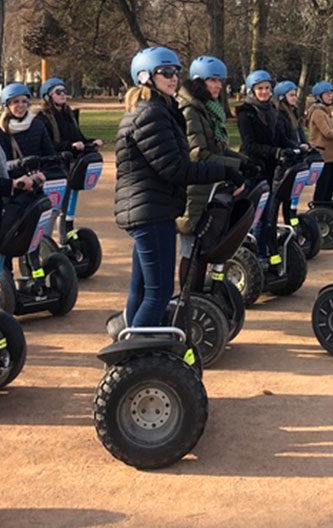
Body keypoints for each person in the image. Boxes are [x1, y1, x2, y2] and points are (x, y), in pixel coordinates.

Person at [114, 47, 243, 327]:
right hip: (150, 212)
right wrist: (225, 171)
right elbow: (175, 168)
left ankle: (132, 345)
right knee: (158, 293)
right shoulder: (150, 114)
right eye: (166, 73)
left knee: (142, 289)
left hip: (150, 209)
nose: (173, 78)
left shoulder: (158, 110)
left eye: (176, 72)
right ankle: (139, 356)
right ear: (146, 77)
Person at [175, 55, 255, 283]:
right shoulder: (190, 110)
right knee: (191, 245)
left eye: (221, 81)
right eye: (213, 81)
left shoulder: (208, 109)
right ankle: (189, 300)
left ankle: (200, 297)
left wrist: (243, 161)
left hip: (210, 183)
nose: (219, 86)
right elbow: (197, 153)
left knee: (204, 243)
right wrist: (234, 167)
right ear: (199, 82)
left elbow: (218, 149)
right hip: (195, 186)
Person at [236, 69, 298, 254]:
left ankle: (262, 252)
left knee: (267, 215)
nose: (264, 92)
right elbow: (250, 145)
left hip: (271, 170)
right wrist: (277, 152)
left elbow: (280, 138)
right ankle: (248, 252)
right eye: (260, 88)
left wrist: (296, 147)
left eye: (267, 88)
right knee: (251, 216)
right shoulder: (245, 113)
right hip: (253, 169)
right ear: (251, 91)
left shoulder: (273, 111)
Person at [36, 77, 103, 153]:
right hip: (55, 160)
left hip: (73, 157)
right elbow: (47, 144)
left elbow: (79, 139)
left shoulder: (70, 115)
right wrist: (70, 145)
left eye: (64, 91)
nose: (62, 94)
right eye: (58, 92)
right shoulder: (43, 117)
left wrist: (92, 141)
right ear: (47, 97)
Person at [0, 83, 56, 162]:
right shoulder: (0, 132)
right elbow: (1, 165)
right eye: (16, 102)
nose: (21, 105)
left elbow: (50, 154)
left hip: (40, 172)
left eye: (24, 101)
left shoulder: (37, 124)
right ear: (7, 106)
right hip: (15, 174)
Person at [305, 81, 333, 204]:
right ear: (319, 97)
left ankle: (327, 208)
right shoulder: (318, 112)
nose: (330, 96)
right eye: (326, 94)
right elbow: (328, 133)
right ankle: (319, 208)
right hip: (323, 155)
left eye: (331, 93)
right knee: (323, 186)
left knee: (330, 185)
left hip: (332, 156)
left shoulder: (326, 111)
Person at [274, 80, 309, 149]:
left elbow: (300, 131)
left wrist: (306, 143)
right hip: (288, 152)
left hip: (297, 150)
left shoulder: (294, 112)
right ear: (282, 97)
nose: (295, 98)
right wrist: (297, 146)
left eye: (295, 95)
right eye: (291, 95)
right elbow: (282, 138)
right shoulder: (278, 115)